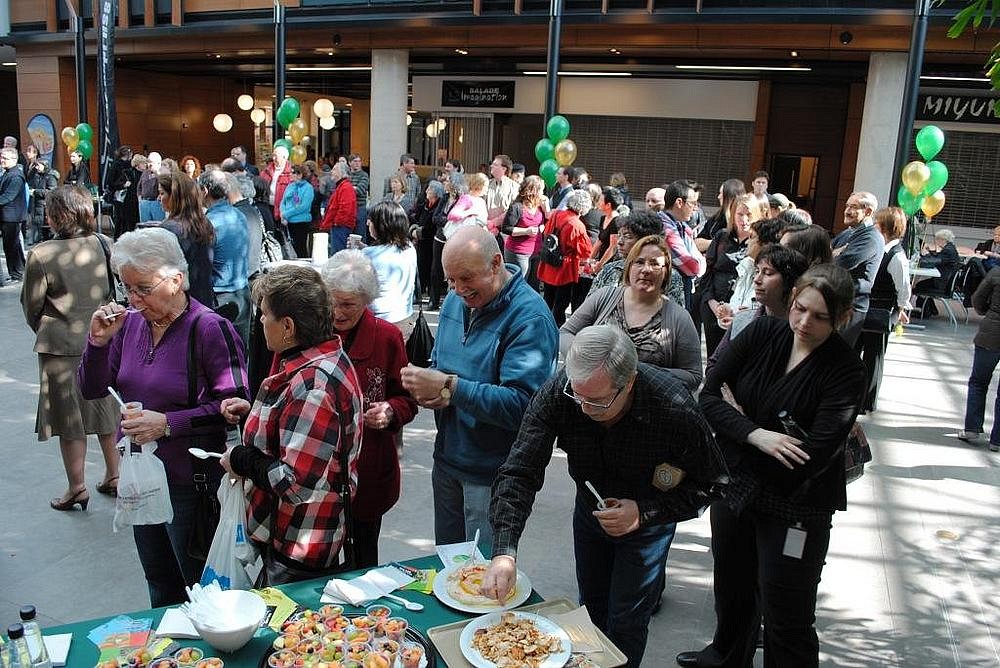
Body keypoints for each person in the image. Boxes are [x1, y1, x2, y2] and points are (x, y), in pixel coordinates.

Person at [483, 325, 726, 667]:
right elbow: (520, 472)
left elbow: (714, 484)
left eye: (597, 401)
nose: (584, 408)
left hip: (647, 523)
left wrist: (644, 512)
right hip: (590, 511)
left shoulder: (673, 406)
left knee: (627, 620)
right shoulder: (560, 392)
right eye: (578, 396)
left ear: (629, 383)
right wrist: (504, 552)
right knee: (591, 607)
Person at [676, 264, 865, 668]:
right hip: (736, 490)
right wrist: (757, 434)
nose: (804, 322)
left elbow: (811, 457)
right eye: (800, 308)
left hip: (797, 506)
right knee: (733, 586)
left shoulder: (846, 370)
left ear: (842, 317)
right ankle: (726, 656)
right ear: (792, 298)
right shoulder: (763, 332)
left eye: (820, 317)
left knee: (787, 611)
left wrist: (736, 423)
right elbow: (708, 397)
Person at [78, 227, 248, 607]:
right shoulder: (131, 324)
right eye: (127, 289)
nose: (133, 300)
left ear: (176, 280)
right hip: (140, 475)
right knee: (159, 583)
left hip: (190, 483)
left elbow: (236, 407)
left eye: (143, 289)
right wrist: (98, 343)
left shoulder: (209, 328)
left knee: (200, 590)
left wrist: (169, 423)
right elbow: (92, 388)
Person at [401, 225, 558, 555]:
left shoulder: (530, 318)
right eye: (451, 280)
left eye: (467, 278)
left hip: (493, 474)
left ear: (496, 263)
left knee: (481, 575)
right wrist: (433, 389)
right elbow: (442, 364)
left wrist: (450, 387)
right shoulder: (455, 300)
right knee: (448, 566)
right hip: (448, 460)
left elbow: (524, 407)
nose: (459, 289)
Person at [220, 265, 362, 584]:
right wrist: (257, 415)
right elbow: (300, 431)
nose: (260, 321)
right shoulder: (323, 358)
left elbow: (296, 484)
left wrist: (242, 459)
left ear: (287, 326)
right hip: (294, 532)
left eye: (264, 314)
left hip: (300, 542)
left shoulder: (313, 385)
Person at [20, 185, 120, 510]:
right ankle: (114, 475)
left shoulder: (41, 254)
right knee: (106, 410)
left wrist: (49, 327)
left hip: (59, 345)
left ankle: (77, 487)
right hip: (102, 338)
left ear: (55, 215)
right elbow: (112, 289)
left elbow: (31, 305)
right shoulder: (102, 244)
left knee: (69, 419)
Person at [320, 251, 418, 567]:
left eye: (348, 304)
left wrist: (390, 411)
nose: (337, 313)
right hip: (317, 469)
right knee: (317, 563)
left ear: (366, 300)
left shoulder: (386, 337)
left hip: (367, 469)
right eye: (332, 302)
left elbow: (407, 399)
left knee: (363, 558)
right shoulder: (310, 331)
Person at [562, 236, 703, 392]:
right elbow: (564, 334)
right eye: (639, 262)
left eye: (655, 264)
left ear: (666, 273)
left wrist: (635, 371)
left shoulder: (679, 318)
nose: (646, 270)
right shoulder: (604, 297)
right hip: (592, 396)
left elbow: (694, 376)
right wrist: (588, 356)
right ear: (628, 267)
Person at [860, 207, 912, 412]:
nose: (874, 225)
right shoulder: (878, 247)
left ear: (885, 227)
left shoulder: (897, 256)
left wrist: (900, 309)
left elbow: (903, 288)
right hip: (866, 307)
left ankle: (867, 401)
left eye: (877, 222)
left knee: (874, 356)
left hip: (882, 311)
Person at [697, 193, 757, 356]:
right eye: (740, 214)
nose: (744, 219)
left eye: (749, 214)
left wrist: (734, 310)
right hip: (713, 305)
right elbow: (708, 273)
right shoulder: (722, 236)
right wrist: (713, 304)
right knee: (713, 355)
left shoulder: (758, 243)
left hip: (741, 309)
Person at [199, 170, 251, 345]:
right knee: (241, 350)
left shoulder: (208, 223)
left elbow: (203, 265)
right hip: (242, 293)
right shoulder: (239, 214)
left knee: (220, 352)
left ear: (205, 191)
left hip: (221, 296)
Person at [156, 172, 216, 308]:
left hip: (180, 304)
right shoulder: (205, 223)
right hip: (204, 300)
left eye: (162, 193)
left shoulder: (169, 229)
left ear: (175, 196)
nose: (159, 198)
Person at [832, 191, 884, 346]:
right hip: (837, 301)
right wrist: (834, 253)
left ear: (868, 212)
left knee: (838, 352)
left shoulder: (871, 237)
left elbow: (841, 262)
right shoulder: (848, 232)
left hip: (852, 305)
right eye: (847, 206)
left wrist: (836, 254)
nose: (847, 211)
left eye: (853, 207)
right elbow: (827, 252)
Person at [537, 189, 593, 326]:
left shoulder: (556, 214)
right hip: (564, 268)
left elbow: (546, 232)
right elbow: (586, 251)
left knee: (547, 299)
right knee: (560, 304)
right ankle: (556, 329)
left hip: (549, 262)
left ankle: (542, 324)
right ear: (584, 208)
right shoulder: (577, 225)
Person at [363, 200, 418, 338]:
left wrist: (358, 253)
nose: (368, 224)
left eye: (371, 220)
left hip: (379, 322)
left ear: (381, 225)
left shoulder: (368, 255)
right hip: (404, 318)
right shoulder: (409, 247)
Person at [655, 180, 706, 311]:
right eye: (693, 203)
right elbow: (692, 267)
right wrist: (700, 262)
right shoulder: (666, 230)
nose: (695, 208)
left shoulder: (679, 226)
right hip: (668, 296)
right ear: (679, 202)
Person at [410, 180, 449, 307]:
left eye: (430, 189)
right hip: (421, 241)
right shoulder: (425, 204)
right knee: (420, 266)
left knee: (432, 269)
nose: (426, 191)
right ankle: (419, 293)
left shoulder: (439, 205)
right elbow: (415, 216)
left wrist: (419, 232)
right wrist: (414, 229)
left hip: (432, 241)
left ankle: (431, 295)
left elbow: (433, 225)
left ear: (436, 193)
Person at [501, 174, 547, 281]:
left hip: (536, 251)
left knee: (534, 284)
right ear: (533, 191)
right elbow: (506, 228)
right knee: (520, 282)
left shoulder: (540, 206)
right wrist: (526, 231)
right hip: (519, 252)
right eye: (541, 190)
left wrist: (547, 208)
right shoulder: (517, 207)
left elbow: (547, 221)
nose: (542, 193)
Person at [0, 147, 27, 282]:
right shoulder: (8, 173)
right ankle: (16, 273)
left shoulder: (16, 176)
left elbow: (8, 196)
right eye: (1, 157)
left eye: (4, 158)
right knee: (10, 246)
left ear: (14, 159)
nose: (2, 160)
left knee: (12, 246)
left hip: (12, 217)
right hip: (7, 216)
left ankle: (17, 273)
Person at [697, 179, 745, 253]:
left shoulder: (743, 221)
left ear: (730, 197)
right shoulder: (718, 217)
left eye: (721, 194)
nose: (718, 197)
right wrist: (716, 241)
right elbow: (697, 243)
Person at [321, 161, 358, 255]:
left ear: (341, 173)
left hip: (341, 227)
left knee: (338, 254)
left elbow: (345, 209)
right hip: (339, 226)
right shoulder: (342, 186)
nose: (331, 172)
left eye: (334, 169)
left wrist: (336, 222)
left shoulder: (345, 187)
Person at [279, 164, 315, 259]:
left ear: (300, 175)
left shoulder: (308, 188)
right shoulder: (290, 186)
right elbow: (283, 201)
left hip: (301, 222)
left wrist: (286, 214)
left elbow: (304, 206)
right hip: (288, 222)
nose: (290, 174)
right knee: (290, 248)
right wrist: (282, 214)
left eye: (293, 172)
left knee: (300, 248)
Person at [25, 154, 59, 246]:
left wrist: (35, 191)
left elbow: (51, 191)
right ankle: (39, 240)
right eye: (36, 166)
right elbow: (31, 183)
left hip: (45, 205)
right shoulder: (36, 175)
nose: (36, 168)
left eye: (38, 165)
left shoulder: (51, 176)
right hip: (37, 204)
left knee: (46, 226)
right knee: (38, 224)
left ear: (45, 165)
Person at [107, 146, 141, 238]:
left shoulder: (130, 166)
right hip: (119, 196)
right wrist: (122, 185)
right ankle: (118, 237)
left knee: (126, 218)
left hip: (129, 196)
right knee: (120, 218)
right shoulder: (116, 165)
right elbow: (110, 182)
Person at [485, 154, 519, 237]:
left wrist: (494, 223)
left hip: (504, 232)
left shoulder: (514, 187)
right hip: (486, 229)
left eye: (495, 165)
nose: (491, 166)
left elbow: (512, 210)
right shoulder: (487, 184)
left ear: (504, 169)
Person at [262, 146, 293, 225]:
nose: (273, 158)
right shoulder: (266, 170)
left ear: (284, 157)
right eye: (273, 155)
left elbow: (296, 195)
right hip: (268, 207)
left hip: (284, 211)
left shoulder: (292, 173)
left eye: (276, 156)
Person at [138, 152, 165, 223]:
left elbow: (165, 185)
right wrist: (139, 198)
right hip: (144, 203)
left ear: (158, 163)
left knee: (157, 225)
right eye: (148, 161)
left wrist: (156, 173)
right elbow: (139, 186)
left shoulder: (163, 172)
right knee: (145, 225)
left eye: (152, 162)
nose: (149, 164)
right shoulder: (145, 173)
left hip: (157, 203)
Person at [347, 153, 370, 235]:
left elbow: (360, 190)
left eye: (359, 161)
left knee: (360, 234)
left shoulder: (364, 175)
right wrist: (353, 187)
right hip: (348, 208)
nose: (357, 163)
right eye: (355, 161)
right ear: (349, 163)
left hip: (360, 208)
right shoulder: (346, 175)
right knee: (349, 235)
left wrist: (348, 188)